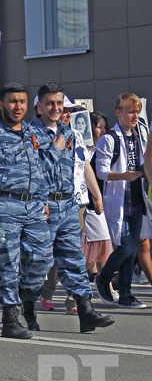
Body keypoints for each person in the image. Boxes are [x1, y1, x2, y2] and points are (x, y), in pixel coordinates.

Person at [26, 82, 115, 332]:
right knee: (40, 261)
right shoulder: (28, 133)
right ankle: (27, 308)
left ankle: (86, 311)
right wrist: (54, 150)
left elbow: (82, 165)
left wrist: (96, 196)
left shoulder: (69, 133)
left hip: (67, 204)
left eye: (60, 104)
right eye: (51, 104)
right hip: (42, 207)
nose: (57, 109)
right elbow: (32, 171)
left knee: (74, 258)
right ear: (39, 106)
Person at [0, 83, 53, 339]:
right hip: (1, 211)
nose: (18, 107)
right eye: (12, 101)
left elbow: (38, 170)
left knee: (43, 259)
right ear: (1, 105)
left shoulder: (31, 133)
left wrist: (43, 200)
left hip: (33, 208)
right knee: (8, 262)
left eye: (22, 101)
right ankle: (10, 317)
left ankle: (25, 300)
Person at [96, 93, 149, 308]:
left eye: (137, 112)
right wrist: (124, 176)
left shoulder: (140, 136)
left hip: (138, 199)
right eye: (130, 111)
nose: (135, 116)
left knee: (131, 248)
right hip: (119, 201)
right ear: (118, 112)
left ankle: (126, 294)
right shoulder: (109, 139)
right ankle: (103, 279)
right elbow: (101, 172)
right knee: (126, 248)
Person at [81, 112, 113, 289]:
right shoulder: (83, 149)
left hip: (99, 203)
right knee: (96, 244)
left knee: (102, 243)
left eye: (104, 127)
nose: (102, 131)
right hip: (86, 203)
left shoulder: (102, 149)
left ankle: (105, 286)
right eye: (98, 126)